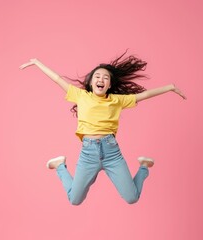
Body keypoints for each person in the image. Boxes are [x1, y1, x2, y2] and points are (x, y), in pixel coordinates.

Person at [19, 52, 186, 205]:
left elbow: (145, 95)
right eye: (97, 76)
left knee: (132, 198)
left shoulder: (116, 100)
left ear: (109, 84)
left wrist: (169, 87)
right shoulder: (80, 95)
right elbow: (57, 79)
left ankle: (144, 167)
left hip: (112, 153)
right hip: (88, 154)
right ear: (91, 82)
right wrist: (37, 63)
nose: (101, 79)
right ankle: (60, 166)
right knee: (75, 200)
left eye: (105, 78)